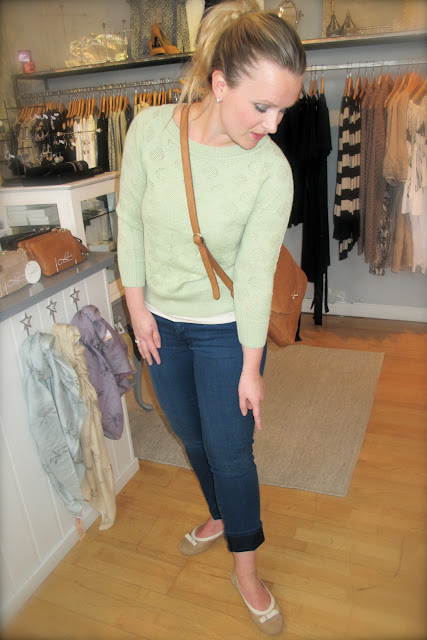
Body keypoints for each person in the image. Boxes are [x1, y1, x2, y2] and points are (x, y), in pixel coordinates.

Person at [117, 0, 305, 634]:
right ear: (220, 84)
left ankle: (246, 570)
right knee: (190, 436)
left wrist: (252, 368)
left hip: (226, 329)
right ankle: (220, 514)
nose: (274, 125)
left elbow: (253, 277)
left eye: (284, 110)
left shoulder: (271, 172)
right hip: (158, 324)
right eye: (263, 107)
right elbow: (130, 221)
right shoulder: (148, 131)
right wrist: (136, 308)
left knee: (231, 452)